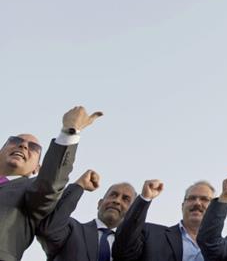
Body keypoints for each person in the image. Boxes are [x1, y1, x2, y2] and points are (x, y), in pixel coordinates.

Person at [0, 105, 102, 261]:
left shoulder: (31, 190)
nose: (23, 145)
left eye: (33, 147)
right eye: (15, 140)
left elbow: (49, 184)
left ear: (37, 169)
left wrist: (70, 131)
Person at [37, 168, 137, 261]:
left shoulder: (135, 248)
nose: (117, 201)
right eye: (113, 195)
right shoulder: (71, 230)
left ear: (133, 212)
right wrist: (80, 185)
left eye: (125, 199)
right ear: (99, 203)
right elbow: (49, 229)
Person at [113, 179, 215, 261]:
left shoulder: (225, 248)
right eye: (192, 198)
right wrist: (145, 198)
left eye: (204, 199)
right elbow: (123, 251)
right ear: (183, 206)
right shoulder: (150, 233)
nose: (197, 203)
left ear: (215, 208)